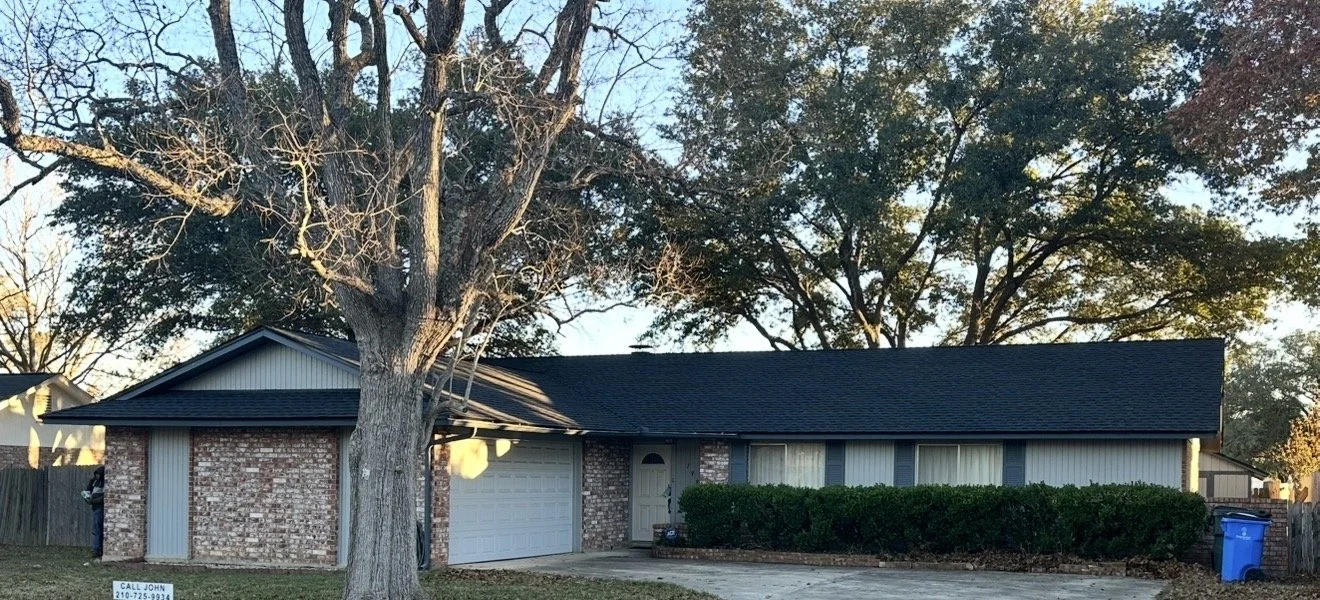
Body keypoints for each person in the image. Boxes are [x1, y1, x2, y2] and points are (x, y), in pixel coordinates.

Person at [83, 466, 105, 558]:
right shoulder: (94, 481)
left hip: (100, 507)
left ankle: (97, 549)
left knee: (97, 529)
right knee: (96, 529)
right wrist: (86, 495)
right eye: (96, 475)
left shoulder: (104, 482)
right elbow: (88, 490)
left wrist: (93, 501)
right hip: (95, 507)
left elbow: (105, 497)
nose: (97, 476)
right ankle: (96, 549)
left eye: (99, 475)